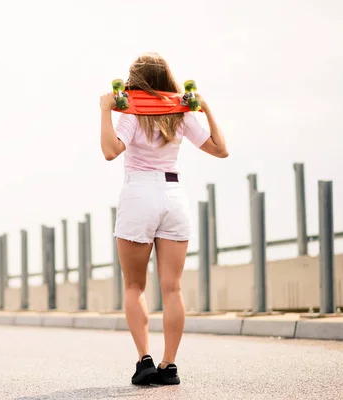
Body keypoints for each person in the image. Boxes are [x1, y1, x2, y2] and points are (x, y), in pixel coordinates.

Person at [99, 52, 228, 386]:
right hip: (174, 195)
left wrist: (104, 111)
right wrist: (204, 106)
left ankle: (144, 361)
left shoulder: (132, 112)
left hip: (139, 193)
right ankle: (169, 366)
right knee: (172, 288)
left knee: (134, 285)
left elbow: (111, 151)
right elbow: (220, 148)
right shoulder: (179, 113)